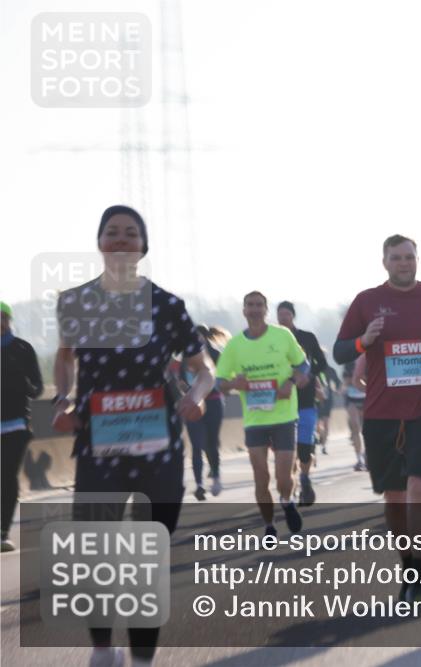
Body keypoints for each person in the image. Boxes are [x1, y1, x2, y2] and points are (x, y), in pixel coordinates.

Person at [51, 205, 215, 667]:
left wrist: (196, 396)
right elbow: (65, 358)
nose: (121, 239)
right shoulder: (75, 302)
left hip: (158, 446)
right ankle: (103, 650)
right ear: (100, 242)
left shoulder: (167, 305)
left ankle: (142, 658)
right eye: (112, 232)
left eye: (130, 233)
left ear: (143, 247)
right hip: (98, 443)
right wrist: (62, 400)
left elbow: (203, 367)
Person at [333, 234, 421, 604]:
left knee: (419, 488)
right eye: (397, 258)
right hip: (382, 411)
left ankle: (419, 575)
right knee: (394, 497)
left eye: (409, 257)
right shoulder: (367, 301)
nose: (404, 263)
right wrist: (364, 341)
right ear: (384, 262)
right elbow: (340, 351)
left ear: (417, 259)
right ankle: (408, 568)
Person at [215, 292, 309, 536]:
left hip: (284, 417)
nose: (255, 309)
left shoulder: (282, 335)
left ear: (266, 310)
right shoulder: (234, 345)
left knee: (283, 477)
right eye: (250, 305)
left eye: (259, 305)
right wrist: (234, 383)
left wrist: (291, 381)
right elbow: (219, 382)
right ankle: (269, 525)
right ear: (244, 310)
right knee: (261, 476)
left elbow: (303, 364)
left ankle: (287, 501)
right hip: (254, 420)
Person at [276, 301, 330, 506]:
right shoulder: (272, 340)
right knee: (286, 450)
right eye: (280, 315)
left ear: (293, 316)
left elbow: (321, 363)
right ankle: (289, 488)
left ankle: (305, 479)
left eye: (286, 314)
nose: (283, 318)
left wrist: (308, 375)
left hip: (305, 398)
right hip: (282, 400)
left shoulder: (307, 338)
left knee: (304, 448)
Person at [1, 301, 43, 553]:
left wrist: (27, 386)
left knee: (6, 476)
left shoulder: (23, 348)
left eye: (2, 317)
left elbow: (38, 388)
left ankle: (2, 532)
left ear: (9, 320)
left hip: (16, 426)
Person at [178, 325, 229, 500]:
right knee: (196, 445)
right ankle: (199, 484)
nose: (195, 340)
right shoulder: (185, 358)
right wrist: (188, 392)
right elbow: (181, 380)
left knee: (211, 443)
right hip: (193, 404)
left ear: (206, 337)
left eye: (198, 337)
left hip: (213, 402)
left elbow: (223, 378)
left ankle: (216, 476)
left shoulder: (216, 354)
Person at [342, 355, 367, 471]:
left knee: (367, 430)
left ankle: (367, 455)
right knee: (355, 428)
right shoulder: (349, 362)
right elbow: (346, 381)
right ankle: (359, 459)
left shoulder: (369, 358)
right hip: (352, 399)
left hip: (367, 398)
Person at [315, 350, 342, 455]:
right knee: (317, 424)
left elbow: (338, 382)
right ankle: (320, 435)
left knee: (326, 423)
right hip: (316, 400)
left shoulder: (330, 370)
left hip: (327, 400)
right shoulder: (314, 369)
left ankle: (324, 446)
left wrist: (337, 390)